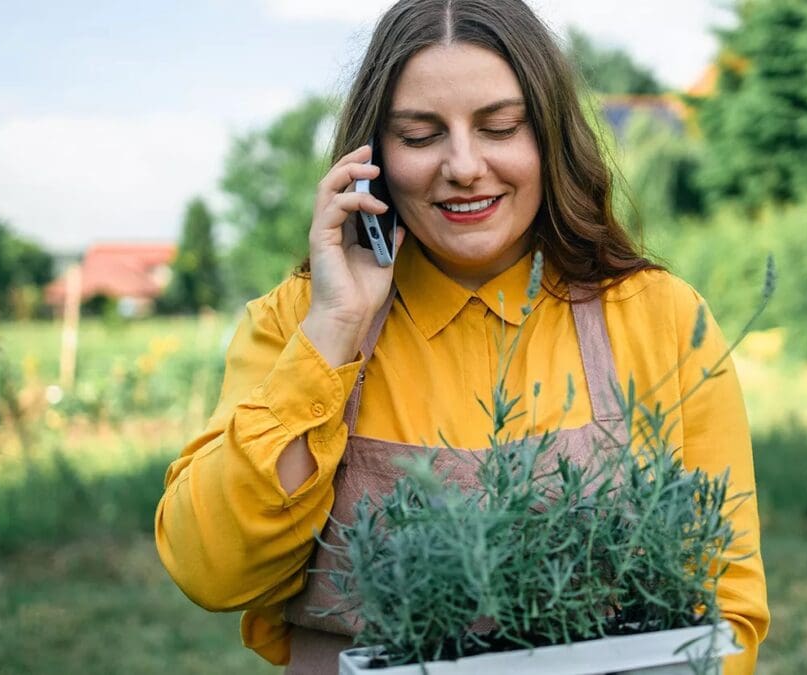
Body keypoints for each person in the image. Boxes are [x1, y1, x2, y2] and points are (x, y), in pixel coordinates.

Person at [154, 1, 769, 673]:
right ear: (374, 159)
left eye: (500, 126)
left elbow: (725, 607)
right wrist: (333, 329)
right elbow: (211, 570)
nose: (465, 165)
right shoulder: (298, 321)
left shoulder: (663, 318)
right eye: (420, 136)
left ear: (551, 137)